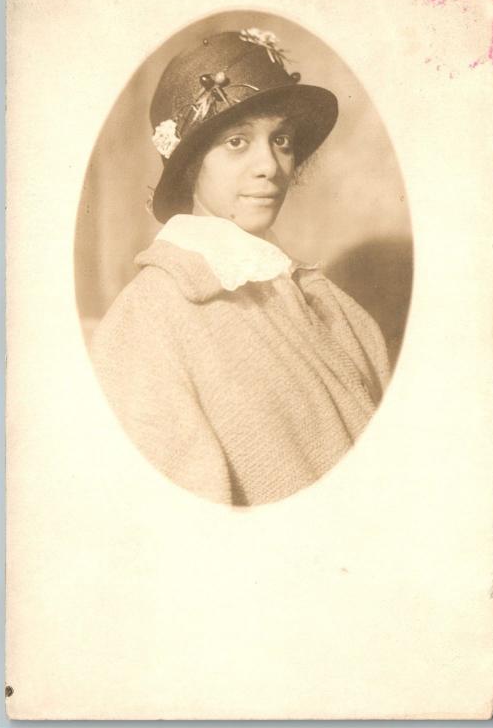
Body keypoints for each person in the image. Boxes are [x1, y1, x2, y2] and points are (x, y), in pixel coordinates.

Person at [91, 28, 390, 506]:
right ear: (190, 165)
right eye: (236, 141)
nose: (269, 166)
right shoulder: (146, 322)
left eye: (282, 140)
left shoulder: (331, 304)